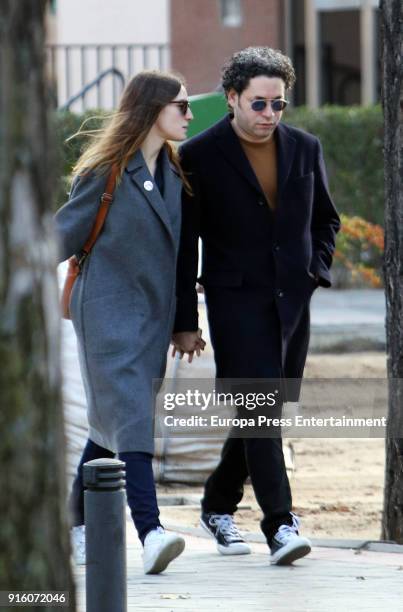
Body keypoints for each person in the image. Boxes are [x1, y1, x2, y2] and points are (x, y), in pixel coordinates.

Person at [172, 47, 340, 565]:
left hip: (292, 304)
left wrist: (317, 270)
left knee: (261, 412)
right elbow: (184, 245)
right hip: (235, 301)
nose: (269, 115)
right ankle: (280, 526)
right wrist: (185, 321)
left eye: (279, 105)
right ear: (232, 98)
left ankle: (217, 505)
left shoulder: (305, 147)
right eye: (259, 104)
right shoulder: (198, 155)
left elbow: (326, 220)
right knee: (262, 410)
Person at [55, 70, 196, 574]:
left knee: (106, 426)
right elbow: (62, 233)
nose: (188, 114)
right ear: (151, 108)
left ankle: (75, 525)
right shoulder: (107, 171)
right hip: (107, 315)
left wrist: (185, 322)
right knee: (133, 414)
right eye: (180, 106)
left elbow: (183, 261)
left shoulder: (176, 177)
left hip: (151, 321)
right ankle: (151, 530)